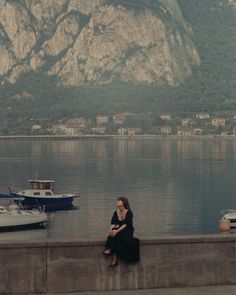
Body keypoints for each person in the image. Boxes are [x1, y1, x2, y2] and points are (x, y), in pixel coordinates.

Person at [103, 197, 140, 266]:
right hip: (119, 229)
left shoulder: (129, 212)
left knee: (117, 235)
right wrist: (110, 229)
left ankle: (110, 251)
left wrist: (116, 231)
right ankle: (114, 258)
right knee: (113, 235)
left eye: (119, 201)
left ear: (123, 203)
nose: (117, 202)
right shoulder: (116, 212)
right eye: (117, 201)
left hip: (127, 230)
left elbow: (125, 224)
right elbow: (113, 223)